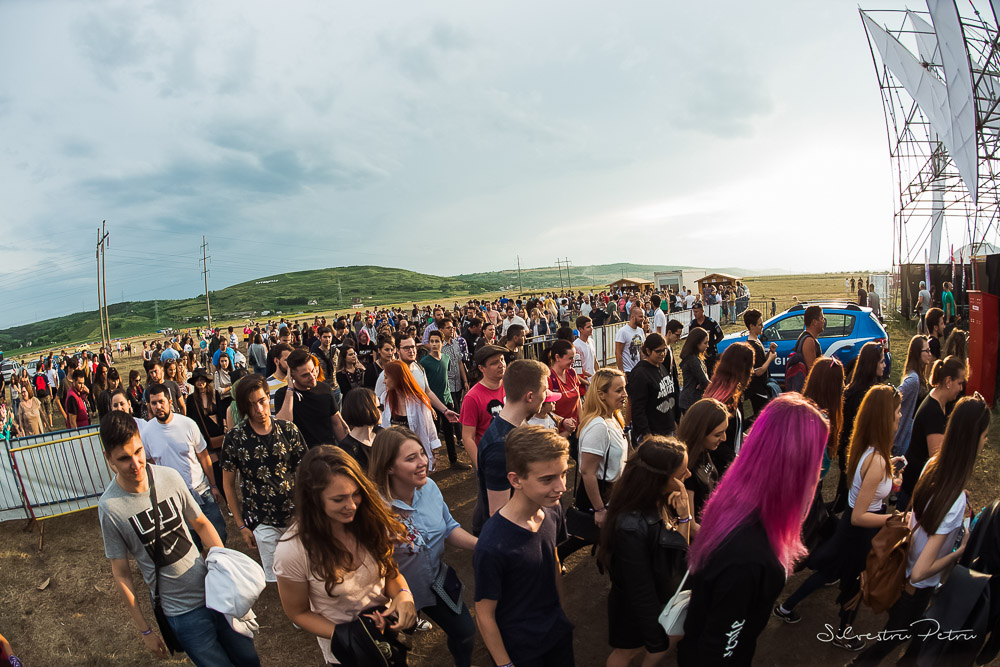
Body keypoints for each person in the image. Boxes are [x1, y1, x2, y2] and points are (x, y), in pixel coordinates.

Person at [96, 412, 260, 666]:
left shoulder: (169, 477)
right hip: (182, 614)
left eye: (138, 452)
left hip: (216, 594)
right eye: (124, 458)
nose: (136, 464)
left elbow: (201, 523)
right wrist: (145, 631)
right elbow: (122, 574)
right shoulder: (110, 508)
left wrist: (225, 573)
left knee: (249, 659)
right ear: (109, 458)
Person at [678, 394, 828, 666]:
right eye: (817, 459)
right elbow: (719, 646)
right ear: (797, 465)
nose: (818, 472)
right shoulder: (749, 554)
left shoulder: (739, 501)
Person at [853, 395, 990, 664]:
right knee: (893, 647)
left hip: (902, 571)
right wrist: (959, 552)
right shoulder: (953, 498)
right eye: (985, 436)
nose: (986, 442)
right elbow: (920, 572)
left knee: (903, 643)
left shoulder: (932, 465)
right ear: (973, 439)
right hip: (916, 589)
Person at [774, 385, 903, 652]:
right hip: (860, 532)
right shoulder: (877, 461)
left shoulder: (869, 449)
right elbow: (859, 516)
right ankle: (843, 633)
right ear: (884, 417)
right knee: (854, 582)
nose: (900, 415)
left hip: (852, 530)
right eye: (897, 411)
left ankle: (786, 607)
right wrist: (892, 519)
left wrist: (892, 481)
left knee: (830, 572)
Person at [273, 445, 416, 666]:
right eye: (338, 499)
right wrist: (349, 636)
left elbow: (390, 572)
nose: (352, 506)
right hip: (348, 656)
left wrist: (404, 596)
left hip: (387, 638)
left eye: (356, 493)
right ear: (313, 499)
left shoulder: (369, 519)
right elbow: (297, 612)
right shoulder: (292, 551)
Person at [369, 427, 478, 667]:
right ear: (388, 467)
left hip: (434, 582)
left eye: (422, 453)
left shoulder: (429, 488)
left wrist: (480, 545)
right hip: (393, 596)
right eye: (411, 458)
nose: (423, 462)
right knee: (397, 651)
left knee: (465, 632)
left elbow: (449, 527)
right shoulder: (374, 510)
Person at [474, 425, 574, 667]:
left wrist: (561, 614)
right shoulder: (492, 544)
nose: (561, 487)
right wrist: (505, 664)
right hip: (522, 649)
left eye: (563, 474)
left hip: (556, 635)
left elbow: (553, 559)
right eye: (547, 479)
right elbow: (484, 614)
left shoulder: (552, 510)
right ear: (516, 480)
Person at [599, 436, 691, 666]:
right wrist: (653, 634)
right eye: (682, 474)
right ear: (659, 479)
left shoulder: (659, 499)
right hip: (633, 608)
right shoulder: (630, 527)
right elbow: (643, 587)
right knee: (626, 652)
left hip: (655, 597)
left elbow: (674, 556)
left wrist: (683, 516)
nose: (688, 475)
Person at [222, 374, 307, 584]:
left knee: (304, 572)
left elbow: (306, 474)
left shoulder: (289, 430)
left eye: (261, 401)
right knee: (278, 578)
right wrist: (241, 526)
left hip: (296, 517)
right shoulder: (235, 438)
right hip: (261, 520)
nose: (259, 410)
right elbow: (228, 484)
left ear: (268, 397)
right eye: (251, 405)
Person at [142, 383, 228, 548]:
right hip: (173, 498)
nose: (158, 407)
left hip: (200, 490)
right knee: (192, 542)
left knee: (218, 533)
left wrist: (213, 485)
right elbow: (150, 463)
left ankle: (218, 559)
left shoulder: (187, 424)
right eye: (153, 403)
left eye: (161, 401)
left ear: (170, 402)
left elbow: (204, 456)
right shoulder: (147, 433)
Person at [478, 360, 551, 523]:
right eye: (544, 390)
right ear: (530, 396)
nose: (546, 395)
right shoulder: (500, 447)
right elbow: (498, 514)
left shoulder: (512, 427)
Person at [897, 355, 966, 509]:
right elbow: (937, 460)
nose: (961, 389)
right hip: (914, 490)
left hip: (916, 485)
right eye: (960, 383)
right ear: (948, 381)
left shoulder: (940, 403)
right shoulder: (933, 412)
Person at [575, 368, 629, 537]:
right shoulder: (598, 426)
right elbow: (587, 471)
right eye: (619, 390)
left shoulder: (614, 418)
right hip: (599, 498)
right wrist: (599, 509)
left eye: (625, 389)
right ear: (601, 394)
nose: (625, 394)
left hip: (612, 496)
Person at [834, 342, 886, 512]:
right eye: (881, 362)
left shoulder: (853, 389)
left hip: (850, 452)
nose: (884, 366)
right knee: (851, 500)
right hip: (857, 454)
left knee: (845, 496)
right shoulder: (865, 395)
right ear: (872, 364)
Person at [274, 348, 350, 448]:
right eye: (305, 375)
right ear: (292, 375)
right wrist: (290, 388)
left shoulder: (325, 389)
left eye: (313, 370)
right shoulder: (283, 395)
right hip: (302, 453)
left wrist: (347, 449)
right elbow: (284, 424)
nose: (312, 377)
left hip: (326, 451)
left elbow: (336, 423)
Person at [380, 360, 443, 471]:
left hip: (415, 456)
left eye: (386, 377)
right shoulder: (385, 398)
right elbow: (383, 426)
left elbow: (430, 427)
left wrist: (436, 453)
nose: (384, 381)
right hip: (394, 457)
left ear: (396, 378)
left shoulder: (418, 401)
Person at [702, 341, 754, 474]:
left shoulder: (726, 392)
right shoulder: (725, 401)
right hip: (722, 469)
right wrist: (738, 462)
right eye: (751, 366)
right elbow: (718, 444)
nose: (752, 371)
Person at [677, 397, 729, 521]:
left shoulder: (704, 452)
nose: (724, 438)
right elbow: (691, 524)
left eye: (724, 431)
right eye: (717, 435)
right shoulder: (687, 469)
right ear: (700, 432)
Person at [459, 345, 507, 471]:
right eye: (494, 363)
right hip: (490, 461)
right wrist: (481, 466)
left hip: (513, 458)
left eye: (502, 359)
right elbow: (467, 437)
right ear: (481, 368)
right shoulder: (472, 398)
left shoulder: (511, 387)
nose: (501, 365)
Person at [420, 330, 462, 467]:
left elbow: (445, 379)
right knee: (433, 432)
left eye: (437, 341)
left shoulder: (446, 358)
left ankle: (453, 461)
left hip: (447, 400)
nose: (434, 344)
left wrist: (449, 398)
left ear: (442, 343)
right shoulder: (424, 362)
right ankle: (430, 462)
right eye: (431, 341)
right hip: (432, 403)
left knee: (449, 432)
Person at [628, 333, 679, 442]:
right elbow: (637, 408)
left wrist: (673, 421)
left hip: (667, 429)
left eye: (664, 350)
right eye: (658, 351)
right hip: (653, 432)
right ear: (648, 351)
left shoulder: (661, 367)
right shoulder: (640, 373)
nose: (662, 354)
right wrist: (646, 433)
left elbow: (668, 397)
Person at [185, 368, 227, 493]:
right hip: (204, 436)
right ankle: (222, 493)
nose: (200, 383)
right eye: (197, 380)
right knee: (215, 468)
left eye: (202, 380)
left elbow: (221, 412)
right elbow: (190, 418)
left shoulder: (214, 394)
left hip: (219, 434)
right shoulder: (191, 399)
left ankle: (228, 490)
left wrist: (225, 426)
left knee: (225, 466)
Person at [893, 335, 932, 456]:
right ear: (917, 354)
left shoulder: (918, 376)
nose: (930, 354)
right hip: (904, 439)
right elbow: (893, 397)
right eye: (926, 351)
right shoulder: (913, 379)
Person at [743, 308, 778, 418]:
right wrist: (770, 359)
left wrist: (769, 353)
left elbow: (760, 361)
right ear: (751, 326)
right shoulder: (752, 345)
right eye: (760, 324)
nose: (762, 326)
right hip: (757, 390)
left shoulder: (757, 341)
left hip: (761, 387)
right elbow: (758, 371)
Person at [339, 387, 383, 471]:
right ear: (366, 410)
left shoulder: (382, 434)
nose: (381, 411)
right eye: (379, 407)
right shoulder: (347, 449)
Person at [545, 340, 581, 440]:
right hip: (559, 434)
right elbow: (543, 410)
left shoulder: (572, 373)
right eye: (570, 358)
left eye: (574, 358)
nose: (573, 361)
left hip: (575, 430)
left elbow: (578, 401)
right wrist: (563, 421)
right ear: (557, 357)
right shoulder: (548, 378)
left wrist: (582, 425)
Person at [678, 328, 710, 414]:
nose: (707, 346)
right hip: (691, 402)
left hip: (692, 401)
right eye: (705, 343)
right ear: (696, 343)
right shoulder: (693, 359)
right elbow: (704, 380)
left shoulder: (695, 357)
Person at [689, 302, 724, 377]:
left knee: (711, 373)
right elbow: (690, 339)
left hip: (710, 353)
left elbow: (720, 335)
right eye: (694, 312)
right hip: (698, 354)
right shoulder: (693, 324)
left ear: (702, 311)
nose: (695, 314)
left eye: (697, 312)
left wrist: (712, 343)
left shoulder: (711, 322)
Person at [615, 307, 646, 375]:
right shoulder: (623, 331)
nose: (643, 319)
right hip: (627, 371)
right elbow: (618, 353)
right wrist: (622, 373)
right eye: (640, 316)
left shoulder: (640, 331)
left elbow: (641, 351)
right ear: (632, 317)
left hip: (637, 370)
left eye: (643, 316)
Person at [573, 316, 598, 394]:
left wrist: (599, 376)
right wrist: (587, 383)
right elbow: (576, 371)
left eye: (592, 326)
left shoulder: (591, 341)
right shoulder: (576, 346)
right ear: (580, 329)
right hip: (583, 384)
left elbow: (595, 361)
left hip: (593, 381)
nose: (591, 328)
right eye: (588, 327)